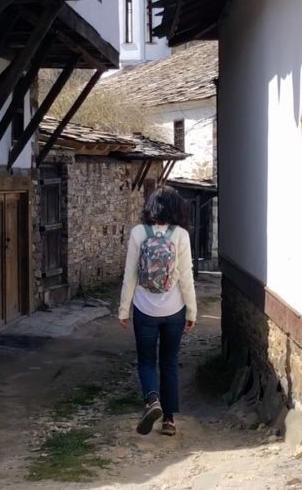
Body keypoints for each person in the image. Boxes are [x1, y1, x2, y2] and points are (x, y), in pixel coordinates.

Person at [118, 186, 197, 437]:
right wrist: (192, 312)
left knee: (146, 361)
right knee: (170, 362)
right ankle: (169, 420)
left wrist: (123, 309)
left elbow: (130, 274)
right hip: (174, 310)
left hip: (144, 309)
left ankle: (152, 400)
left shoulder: (138, 232)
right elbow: (187, 277)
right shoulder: (181, 235)